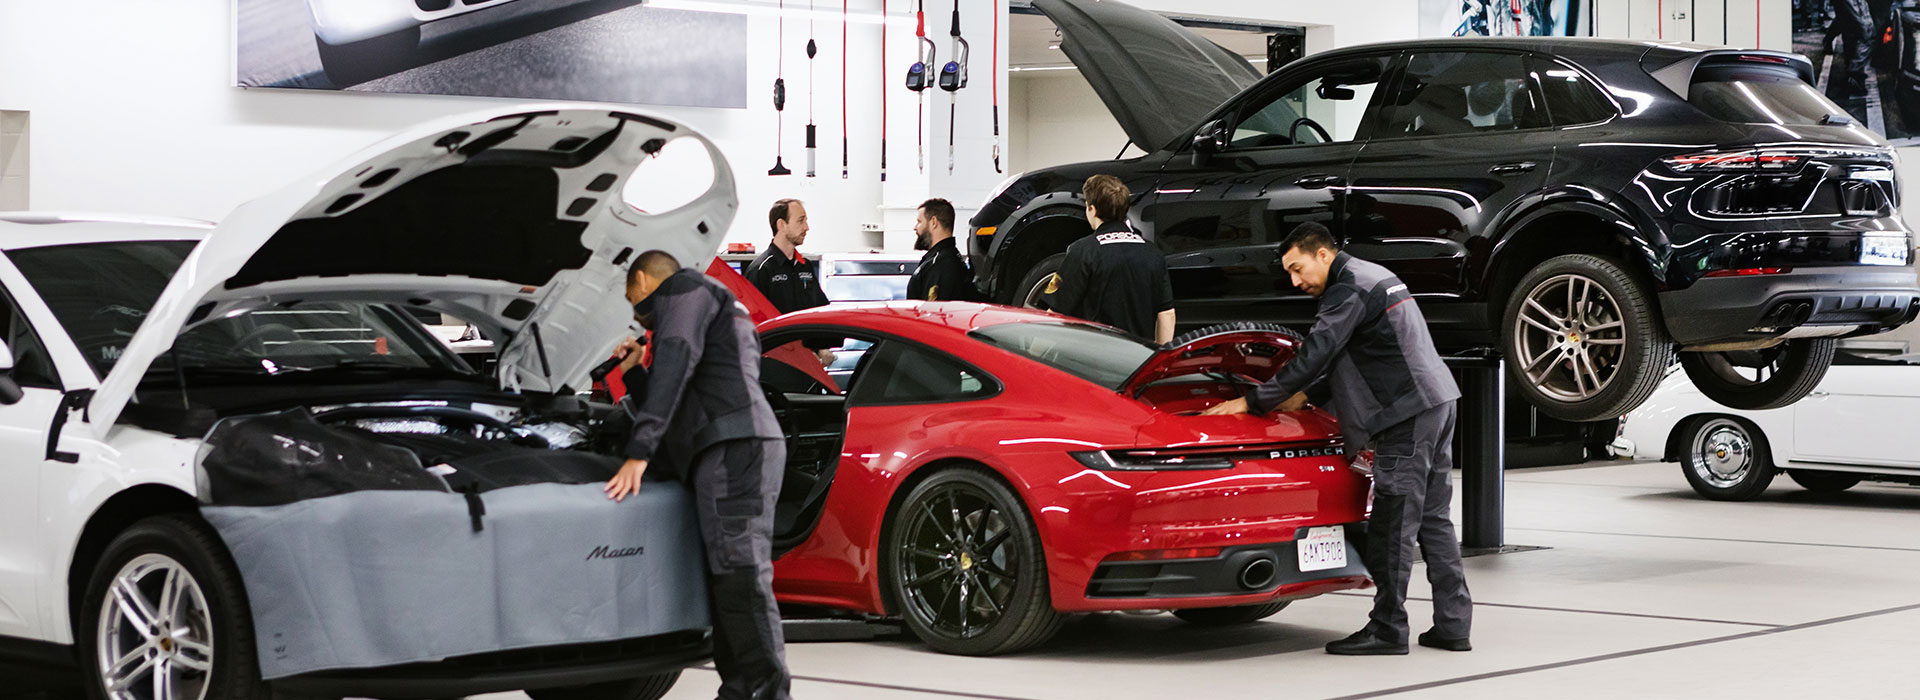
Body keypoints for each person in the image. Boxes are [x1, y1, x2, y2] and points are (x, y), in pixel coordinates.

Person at [1201, 222, 1473, 656]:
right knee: (1433, 519)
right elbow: (1361, 351)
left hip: (1406, 413)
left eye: (1298, 268)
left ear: (1322, 254)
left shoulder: (1347, 288)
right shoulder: (1373, 275)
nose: (1295, 281)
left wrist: (1254, 402)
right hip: (1437, 401)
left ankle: (1387, 629)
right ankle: (1454, 624)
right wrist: (1304, 397)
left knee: (1393, 525)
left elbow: (1319, 350)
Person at [604, 250, 792, 699]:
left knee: (741, 573)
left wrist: (639, 451)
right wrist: (633, 374)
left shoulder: (686, 291)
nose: (630, 307)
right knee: (728, 577)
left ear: (645, 280)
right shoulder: (712, 302)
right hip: (735, 446)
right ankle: (741, 690)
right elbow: (687, 386)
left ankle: (766, 691)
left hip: (734, 449)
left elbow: (676, 363)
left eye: (628, 294)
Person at [1040, 175, 1175, 345]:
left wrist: (1032, 356)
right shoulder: (1153, 252)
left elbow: (1055, 313)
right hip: (1139, 361)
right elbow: (1167, 314)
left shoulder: (1083, 250)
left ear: (1093, 210)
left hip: (1097, 362)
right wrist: (1158, 363)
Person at [745, 198, 830, 316]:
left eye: (806, 221)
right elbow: (753, 321)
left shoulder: (805, 266)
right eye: (801, 221)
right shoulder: (761, 270)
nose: (806, 227)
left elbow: (822, 310)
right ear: (781, 225)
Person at [906, 198, 978, 302]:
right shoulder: (943, 259)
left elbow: (932, 312)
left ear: (934, 222)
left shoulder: (941, 265)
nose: (915, 227)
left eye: (919, 222)